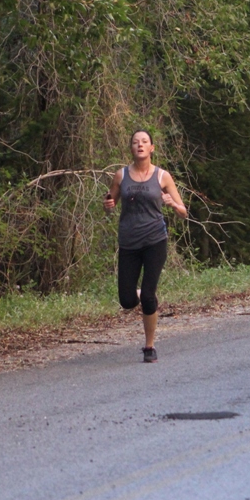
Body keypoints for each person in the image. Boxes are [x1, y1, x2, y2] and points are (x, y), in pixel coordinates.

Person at [103, 130, 187, 363]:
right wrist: (108, 206)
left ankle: (149, 347)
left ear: (152, 148)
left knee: (149, 296)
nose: (139, 145)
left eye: (144, 142)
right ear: (131, 148)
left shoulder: (162, 176)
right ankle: (139, 294)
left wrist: (171, 204)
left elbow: (184, 213)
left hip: (154, 241)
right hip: (129, 242)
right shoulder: (121, 176)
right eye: (135, 142)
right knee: (127, 301)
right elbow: (110, 206)